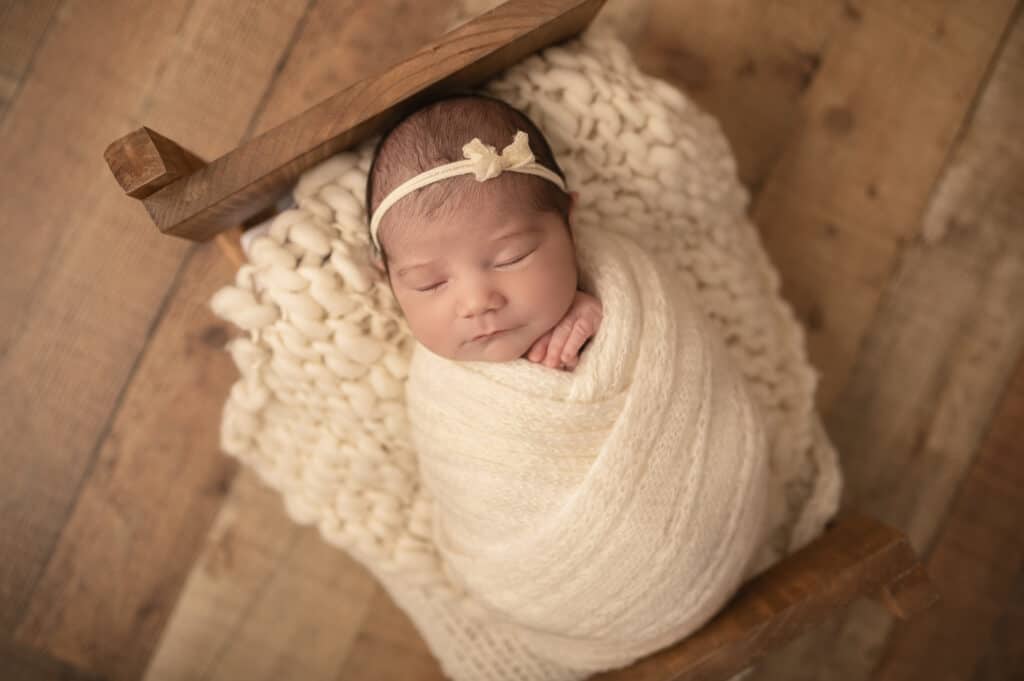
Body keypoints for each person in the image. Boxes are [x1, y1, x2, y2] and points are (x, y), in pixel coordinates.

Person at [365, 92, 602, 371]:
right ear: (388, 279)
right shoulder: (436, 378)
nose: (476, 303)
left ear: (569, 224)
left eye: (512, 258)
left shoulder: (607, 300)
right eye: (428, 283)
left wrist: (608, 323)